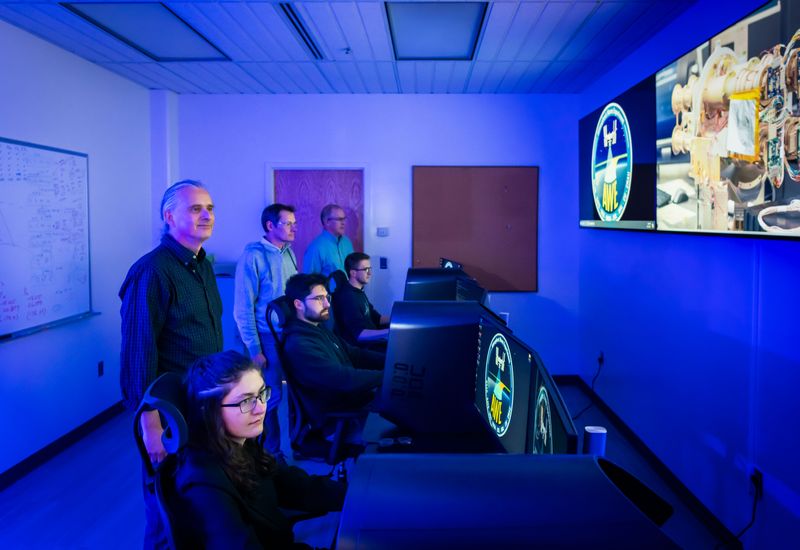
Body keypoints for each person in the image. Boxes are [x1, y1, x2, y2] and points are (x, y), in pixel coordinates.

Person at [119, 179, 223, 546]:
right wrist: (149, 422)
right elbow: (137, 353)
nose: (206, 215)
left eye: (209, 208)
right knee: (167, 507)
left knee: (198, 495)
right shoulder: (153, 271)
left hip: (202, 402)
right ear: (169, 216)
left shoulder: (202, 264)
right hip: (169, 412)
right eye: (196, 209)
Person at [176, 350, 346, 549]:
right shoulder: (203, 484)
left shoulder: (241, 443)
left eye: (262, 393)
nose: (261, 408)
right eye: (247, 401)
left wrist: (354, 496)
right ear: (209, 409)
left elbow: (297, 486)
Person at [282, 273, 384, 438]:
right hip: (337, 415)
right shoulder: (300, 345)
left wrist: (393, 361)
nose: (327, 304)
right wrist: (387, 376)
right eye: (319, 298)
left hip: (351, 399)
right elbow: (344, 379)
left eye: (326, 297)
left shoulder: (317, 328)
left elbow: (354, 354)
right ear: (298, 304)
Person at [234, 203, 298, 461]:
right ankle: (270, 453)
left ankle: (300, 443)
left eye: (295, 223)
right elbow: (243, 308)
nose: (294, 228)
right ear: (270, 226)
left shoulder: (288, 253)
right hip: (265, 337)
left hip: (289, 334)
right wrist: (255, 349)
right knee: (271, 396)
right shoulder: (253, 256)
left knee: (295, 390)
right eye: (288, 223)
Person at [332, 252, 390, 349]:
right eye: (366, 269)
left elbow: (377, 319)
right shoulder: (347, 298)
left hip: (373, 341)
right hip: (364, 348)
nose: (370, 273)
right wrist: (389, 332)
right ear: (353, 273)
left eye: (370, 269)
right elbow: (360, 334)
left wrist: (399, 319)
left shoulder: (358, 291)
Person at [302, 204, 354, 277]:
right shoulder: (315, 248)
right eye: (339, 219)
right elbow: (309, 281)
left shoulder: (347, 242)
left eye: (344, 219)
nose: (343, 223)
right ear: (327, 222)